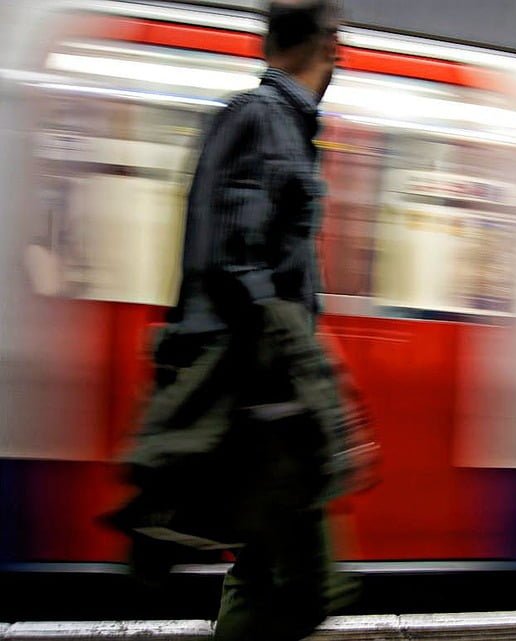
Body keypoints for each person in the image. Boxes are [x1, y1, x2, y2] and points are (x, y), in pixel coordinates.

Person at [107, 2, 378, 640]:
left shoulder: (282, 125)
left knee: (264, 570)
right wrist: (312, 378)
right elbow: (237, 264)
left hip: (264, 391)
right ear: (330, 44)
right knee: (308, 584)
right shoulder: (265, 121)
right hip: (263, 394)